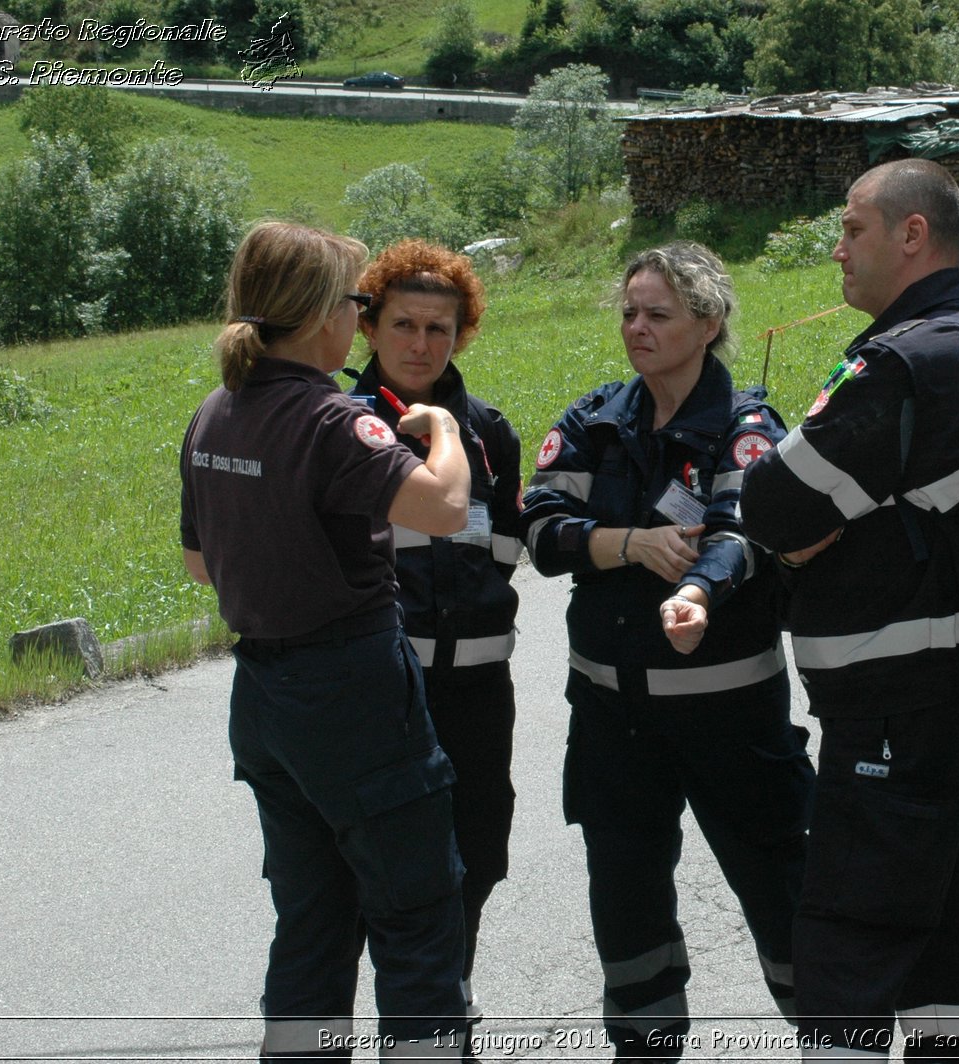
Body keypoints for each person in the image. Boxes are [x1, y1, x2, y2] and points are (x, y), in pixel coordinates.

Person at [739, 160, 959, 1059]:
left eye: (854, 228)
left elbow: (774, 506)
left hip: (895, 695)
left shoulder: (907, 359)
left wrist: (810, 516)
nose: (837, 248)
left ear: (912, 236)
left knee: (849, 936)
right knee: (947, 935)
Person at [179, 221, 472, 1060]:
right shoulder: (331, 420)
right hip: (350, 686)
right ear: (318, 316)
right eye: (358, 303)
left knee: (310, 920)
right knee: (416, 913)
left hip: (265, 695)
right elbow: (445, 511)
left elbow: (203, 565)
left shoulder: (216, 412)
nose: (361, 318)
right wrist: (443, 431)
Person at [520, 241, 814, 1058]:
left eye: (657, 313)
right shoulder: (594, 420)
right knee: (627, 911)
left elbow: (742, 528)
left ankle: (836, 1041)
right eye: (628, 311)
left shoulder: (746, 426)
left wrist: (695, 590)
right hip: (614, 721)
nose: (636, 328)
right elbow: (540, 530)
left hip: (732, 722)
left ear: (709, 322)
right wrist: (629, 544)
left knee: (783, 903)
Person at [346, 239, 523, 1026]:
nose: (421, 345)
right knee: (368, 876)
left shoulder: (490, 432)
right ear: (370, 328)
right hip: (382, 690)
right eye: (405, 325)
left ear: (463, 335)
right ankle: (381, 1017)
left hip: (480, 690)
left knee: (475, 858)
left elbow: (508, 545)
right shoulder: (342, 427)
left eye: (440, 330)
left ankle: (449, 1006)